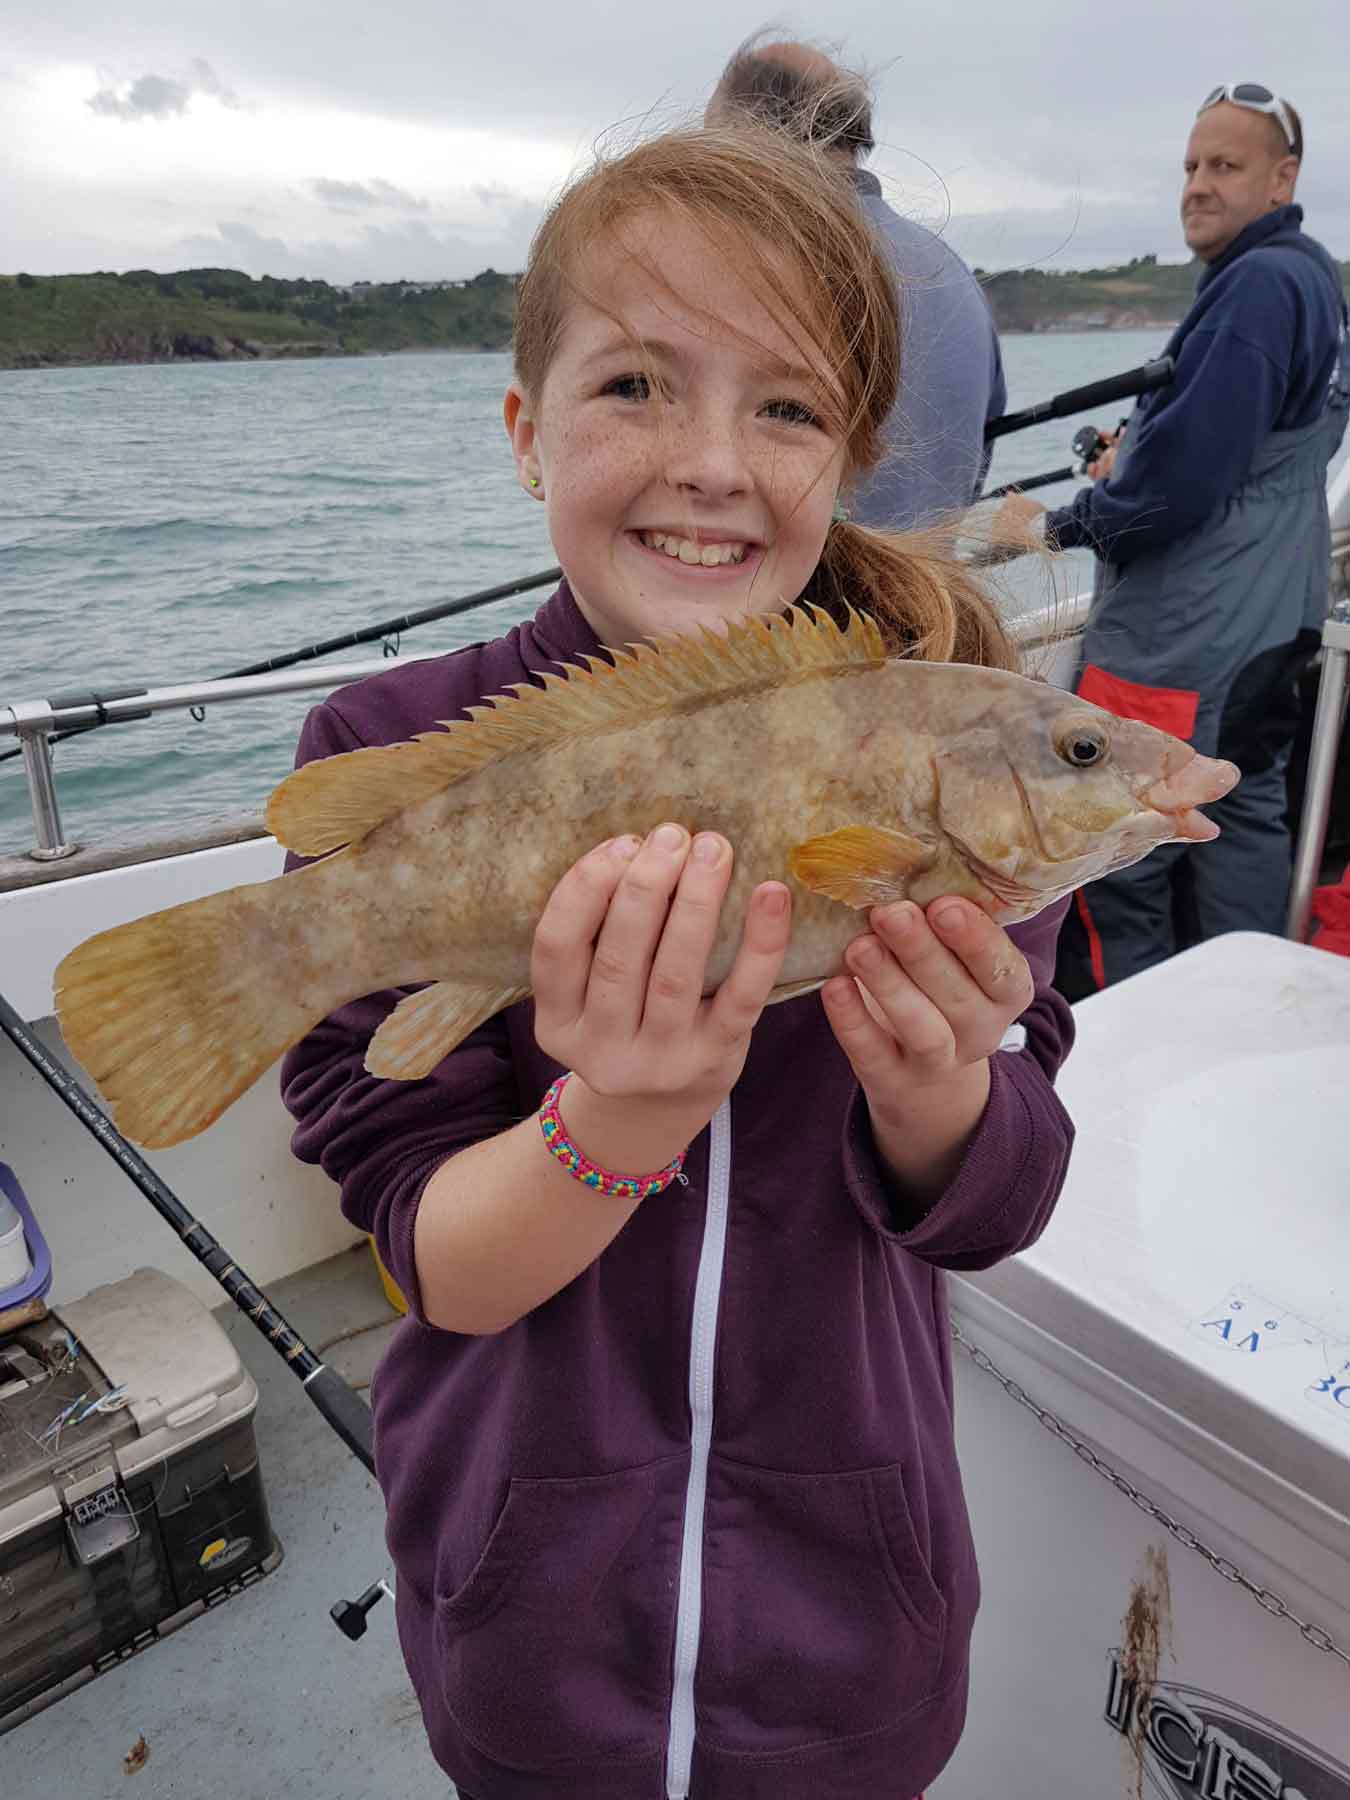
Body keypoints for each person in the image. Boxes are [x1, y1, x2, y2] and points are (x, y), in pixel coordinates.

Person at [281, 124, 1075, 1800]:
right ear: (525, 432)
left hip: (854, 1633)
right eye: (638, 383)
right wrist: (615, 1117)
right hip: (530, 1641)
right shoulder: (390, 743)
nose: (715, 462)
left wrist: (945, 1092)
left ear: (849, 460)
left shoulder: (964, 749)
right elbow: (437, 1262)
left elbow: (1001, 1204)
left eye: (786, 409)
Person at [991, 84, 1350, 999]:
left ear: (1283, 179)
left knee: (1121, 855)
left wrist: (1053, 522)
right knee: (1243, 819)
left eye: (1224, 166)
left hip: (1182, 639)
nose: (1197, 185)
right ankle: (1251, 1016)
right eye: (1191, 166)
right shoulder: (1307, 278)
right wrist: (1139, 453)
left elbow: (1180, 493)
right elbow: (1246, 451)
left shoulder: (1257, 290)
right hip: (1270, 618)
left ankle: (1125, 1047)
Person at [707, 35, 1007, 531]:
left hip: (791, 607)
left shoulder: (749, 263)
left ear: (745, 136)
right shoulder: (952, 273)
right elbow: (974, 464)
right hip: (934, 597)